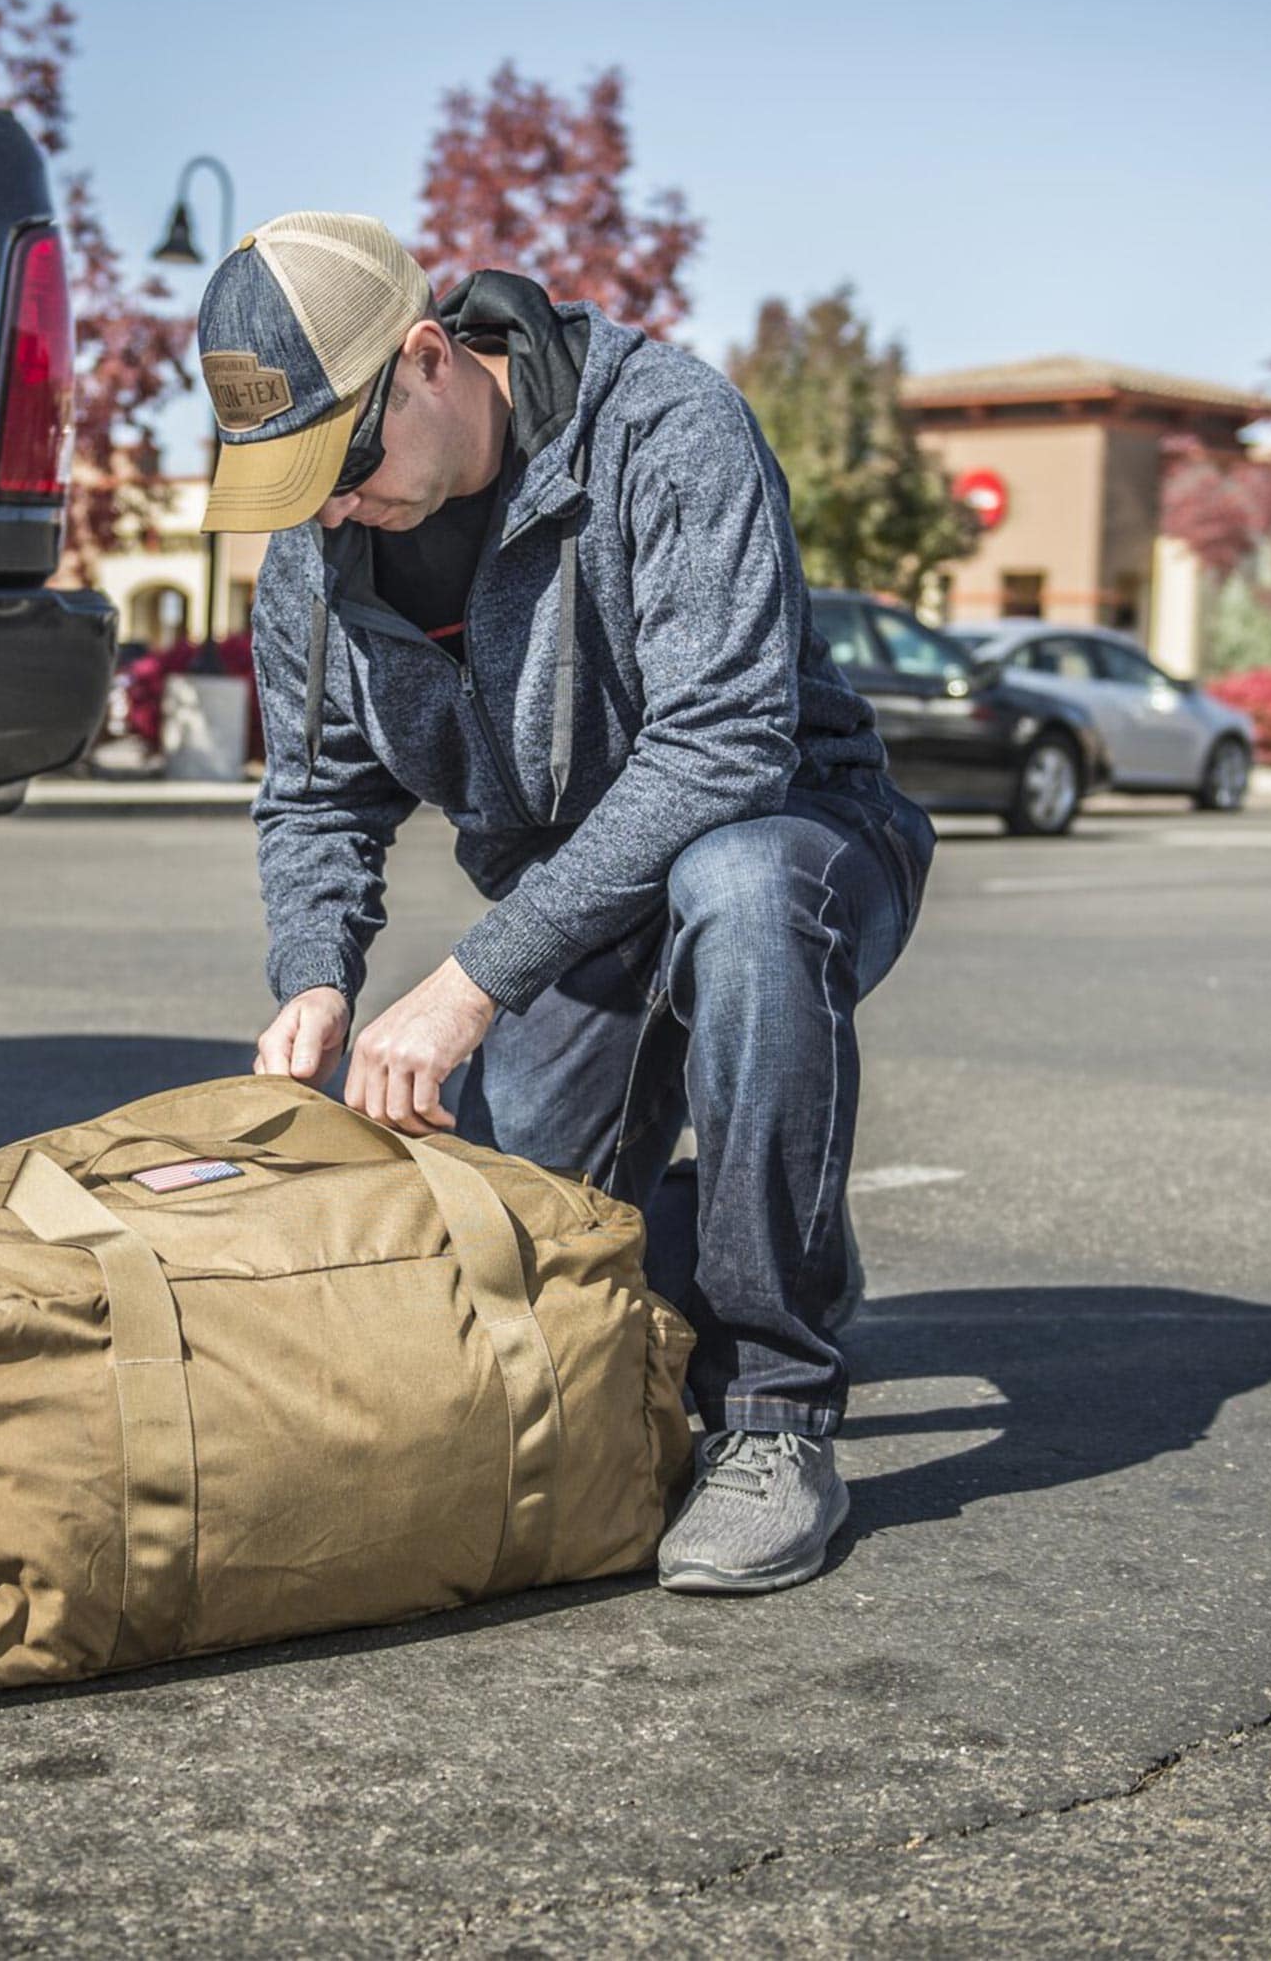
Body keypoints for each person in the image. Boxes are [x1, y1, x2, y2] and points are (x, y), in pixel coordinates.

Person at [195, 211, 937, 1594]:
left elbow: (724, 748)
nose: (331, 508)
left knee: (741, 888)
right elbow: (317, 798)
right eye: (293, 484)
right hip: (572, 896)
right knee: (552, 1273)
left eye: (343, 463)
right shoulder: (322, 545)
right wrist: (314, 973)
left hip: (796, 831)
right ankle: (772, 1237)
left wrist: (469, 984)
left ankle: (777, 1409)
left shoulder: (663, 430)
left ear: (428, 358)